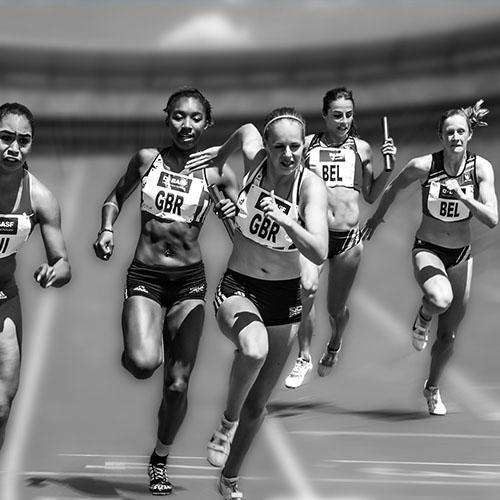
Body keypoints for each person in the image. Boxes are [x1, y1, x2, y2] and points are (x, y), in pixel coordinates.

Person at [93, 88, 238, 496]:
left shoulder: (217, 173)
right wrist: (106, 229)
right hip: (147, 276)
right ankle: (140, 342)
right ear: (167, 118)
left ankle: (159, 459)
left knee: (177, 384)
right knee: (142, 364)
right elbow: (114, 197)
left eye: (195, 118)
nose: (186, 125)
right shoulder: (146, 160)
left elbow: (240, 232)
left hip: (189, 282)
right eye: (178, 116)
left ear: (207, 124)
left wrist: (231, 216)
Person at [185, 107, 328, 499]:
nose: (287, 154)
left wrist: (286, 220)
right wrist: (218, 155)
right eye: (278, 145)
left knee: (259, 404)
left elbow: (318, 250)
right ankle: (225, 423)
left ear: (304, 148)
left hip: (283, 298)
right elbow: (246, 128)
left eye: (295, 146)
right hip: (239, 286)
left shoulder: (310, 187)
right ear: (266, 146)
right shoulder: (254, 160)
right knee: (253, 349)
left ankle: (229, 479)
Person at [362, 100, 497, 415]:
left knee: (448, 337)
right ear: (441, 136)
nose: (455, 137)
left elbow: (492, 218)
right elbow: (394, 189)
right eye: (449, 132)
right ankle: (423, 317)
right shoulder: (424, 166)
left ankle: (432, 388)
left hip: (461, 255)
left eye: (461, 131)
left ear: (469, 135)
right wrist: (374, 219)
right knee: (439, 298)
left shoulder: (480, 169)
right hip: (429, 249)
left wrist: (467, 199)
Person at [284, 87, 397, 389]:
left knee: (336, 309)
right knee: (306, 289)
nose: (343, 120)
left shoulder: (361, 149)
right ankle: (304, 357)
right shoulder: (306, 145)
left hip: (348, 239)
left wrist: (389, 168)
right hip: (314, 232)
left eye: (348, 114)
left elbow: (372, 196)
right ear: (324, 115)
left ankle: (335, 341)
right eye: (337, 115)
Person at [0, 102, 71, 449]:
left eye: (23, 141)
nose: (13, 148)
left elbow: (63, 263)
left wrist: (52, 272)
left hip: (3, 300)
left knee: (1, 405)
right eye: (5, 137)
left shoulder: (40, 198)